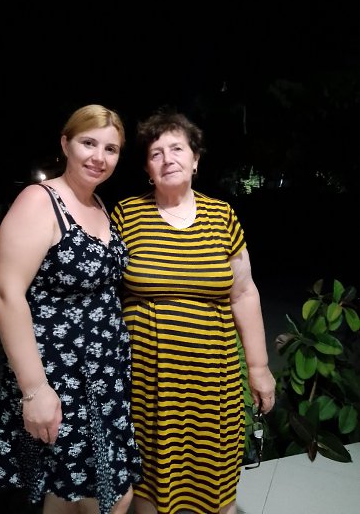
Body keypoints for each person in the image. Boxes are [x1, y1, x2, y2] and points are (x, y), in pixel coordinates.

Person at [111, 108, 276, 514]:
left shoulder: (222, 216)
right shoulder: (126, 216)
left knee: (214, 483)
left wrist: (258, 367)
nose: (167, 159)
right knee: (149, 485)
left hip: (212, 381)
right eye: (156, 153)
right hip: (147, 384)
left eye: (177, 149)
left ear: (196, 159)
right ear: (147, 169)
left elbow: (244, 293)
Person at [0, 104, 142, 514]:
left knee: (66, 495)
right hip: (59, 379)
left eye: (111, 149)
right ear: (65, 143)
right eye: (88, 143)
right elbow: (5, 293)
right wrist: (34, 390)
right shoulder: (40, 201)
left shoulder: (98, 205)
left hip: (104, 378)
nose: (99, 157)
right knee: (109, 498)